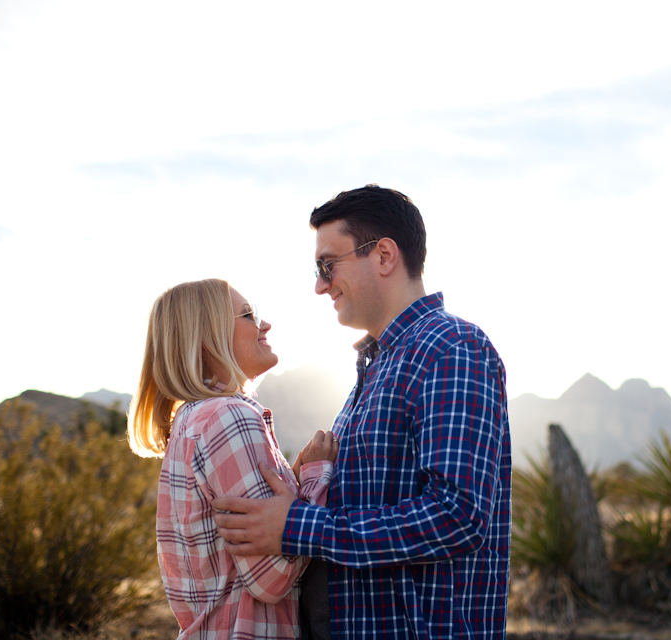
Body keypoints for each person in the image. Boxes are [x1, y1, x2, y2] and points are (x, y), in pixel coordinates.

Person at [213, 186, 512, 639]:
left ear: (385, 256)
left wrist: (297, 526)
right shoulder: (379, 365)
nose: (319, 284)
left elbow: (457, 515)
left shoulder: (451, 349)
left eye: (327, 265)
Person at [127, 278, 339, 639]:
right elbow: (272, 577)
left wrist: (295, 477)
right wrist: (318, 477)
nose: (265, 325)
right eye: (249, 315)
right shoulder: (230, 417)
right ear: (208, 338)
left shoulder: (194, 420)